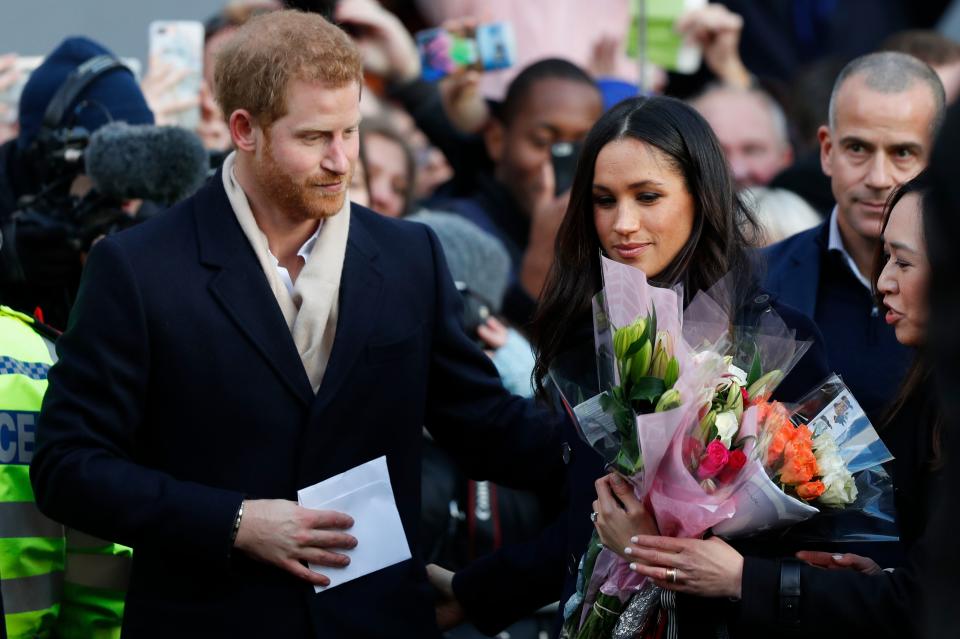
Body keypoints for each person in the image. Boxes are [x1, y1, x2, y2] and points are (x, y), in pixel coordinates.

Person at [29, 11, 565, 638]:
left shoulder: (408, 256)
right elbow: (67, 466)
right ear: (244, 129)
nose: (341, 160)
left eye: (351, 131)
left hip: (377, 623)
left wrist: (627, 446)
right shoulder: (139, 268)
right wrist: (234, 522)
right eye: (314, 138)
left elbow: (486, 426)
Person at [429, 95, 830, 637]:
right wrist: (473, 591)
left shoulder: (778, 338)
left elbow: (819, 540)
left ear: (700, 196)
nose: (623, 223)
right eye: (603, 199)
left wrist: (654, 545)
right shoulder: (586, 339)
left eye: (647, 196)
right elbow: (585, 522)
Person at [607, 172, 942, 638]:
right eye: (884, 258)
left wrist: (744, 579)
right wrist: (878, 579)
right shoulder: (931, 385)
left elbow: (930, 606)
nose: (882, 281)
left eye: (903, 263)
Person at [763, 51, 944, 422]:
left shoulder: (952, 293)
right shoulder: (758, 280)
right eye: (858, 148)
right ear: (827, 150)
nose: (879, 178)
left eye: (903, 152)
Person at [0, 37, 156, 329]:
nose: (132, 187)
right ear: (50, 161)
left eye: (142, 153)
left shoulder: (159, 222)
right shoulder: (20, 239)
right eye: (108, 161)